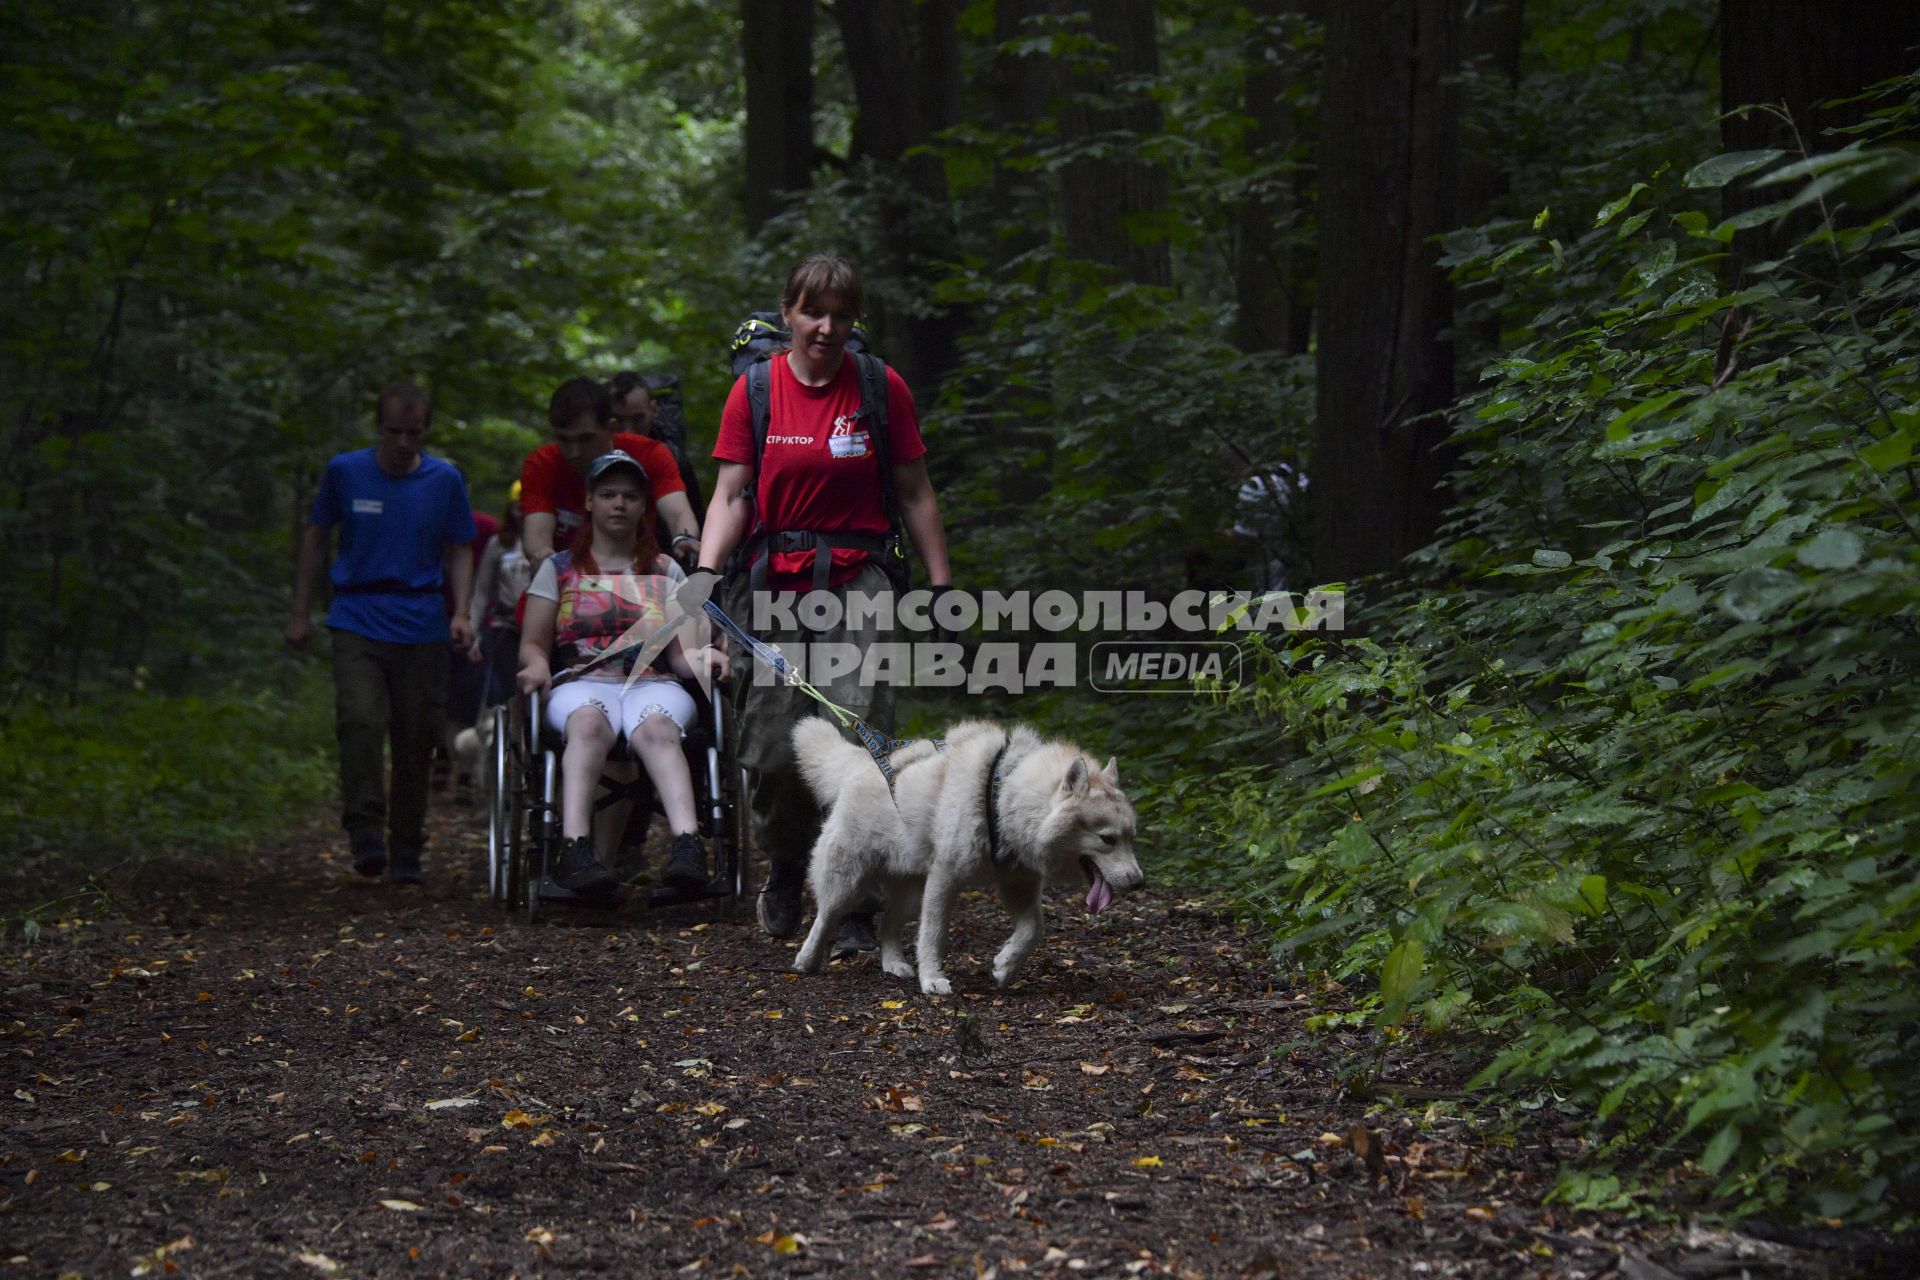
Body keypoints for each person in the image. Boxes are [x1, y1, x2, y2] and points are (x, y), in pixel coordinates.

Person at [694, 253, 952, 952]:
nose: (826, 328)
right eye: (813, 312)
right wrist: (705, 572)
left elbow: (915, 491)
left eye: (841, 315)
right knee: (776, 750)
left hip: (860, 574)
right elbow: (730, 495)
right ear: (787, 313)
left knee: (860, 734)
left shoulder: (879, 387)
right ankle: (785, 866)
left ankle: (858, 903)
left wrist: (940, 580)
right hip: (774, 578)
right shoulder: (755, 391)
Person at [517, 450, 729, 904]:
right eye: (609, 494)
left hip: (654, 682)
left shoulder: (666, 571)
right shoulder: (558, 570)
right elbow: (534, 645)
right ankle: (575, 848)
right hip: (580, 680)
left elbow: (680, 656)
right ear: (590, 502)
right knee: (588, 725)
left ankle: (688, 847)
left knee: (657, 728)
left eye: (630, 496)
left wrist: (704, 658)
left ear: (643, 507)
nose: (619, 504)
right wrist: (535, 665)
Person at [287, 382, 477, 885]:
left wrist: (462, 613)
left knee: (417, 738)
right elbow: (316, 536)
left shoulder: (444, 480)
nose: (403, 442)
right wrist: (301, 612)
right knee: (361, 719)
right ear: (379, 427)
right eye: (394, 431)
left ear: (425, 432)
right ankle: (365, 828)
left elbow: (461, 546)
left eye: (413, 432)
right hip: (357, 615)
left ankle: (407, 845)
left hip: (422, 620)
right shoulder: (345, 472)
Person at [518, 378, 701, 571]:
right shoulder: (542, 464)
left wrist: (684, 538)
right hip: (565, 582)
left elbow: (677, 511)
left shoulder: (650, 454)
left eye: (586, 439)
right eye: (564, 440)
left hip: (639, 582)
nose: (575, 452)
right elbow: (537, 537)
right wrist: (544, 558)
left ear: (611, 428)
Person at [610, 370, 706, 526]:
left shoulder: (672, 457)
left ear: (654, 410)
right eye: (618, 421)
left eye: (637, 419)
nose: (628, 432)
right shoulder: (592, 451)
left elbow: (695, 518)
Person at [469, 483, 533, 712]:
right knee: (507, 689)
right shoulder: (499, 543)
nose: (521, 514)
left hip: (539, 627)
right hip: (504, 627)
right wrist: (473, 632)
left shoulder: (549, 543)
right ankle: (507, 736)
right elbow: (482, 590)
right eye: (517, 508)